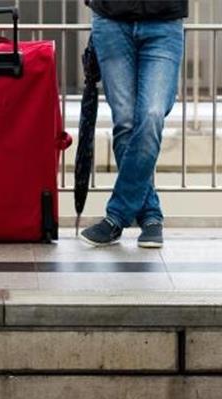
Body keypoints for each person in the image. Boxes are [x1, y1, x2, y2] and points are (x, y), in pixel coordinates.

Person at [79, 0, 187, 249]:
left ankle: (117, 216)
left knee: (151, 115)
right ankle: (150, 216)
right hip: (111, 21)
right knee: (125, 123)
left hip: (165, 22)